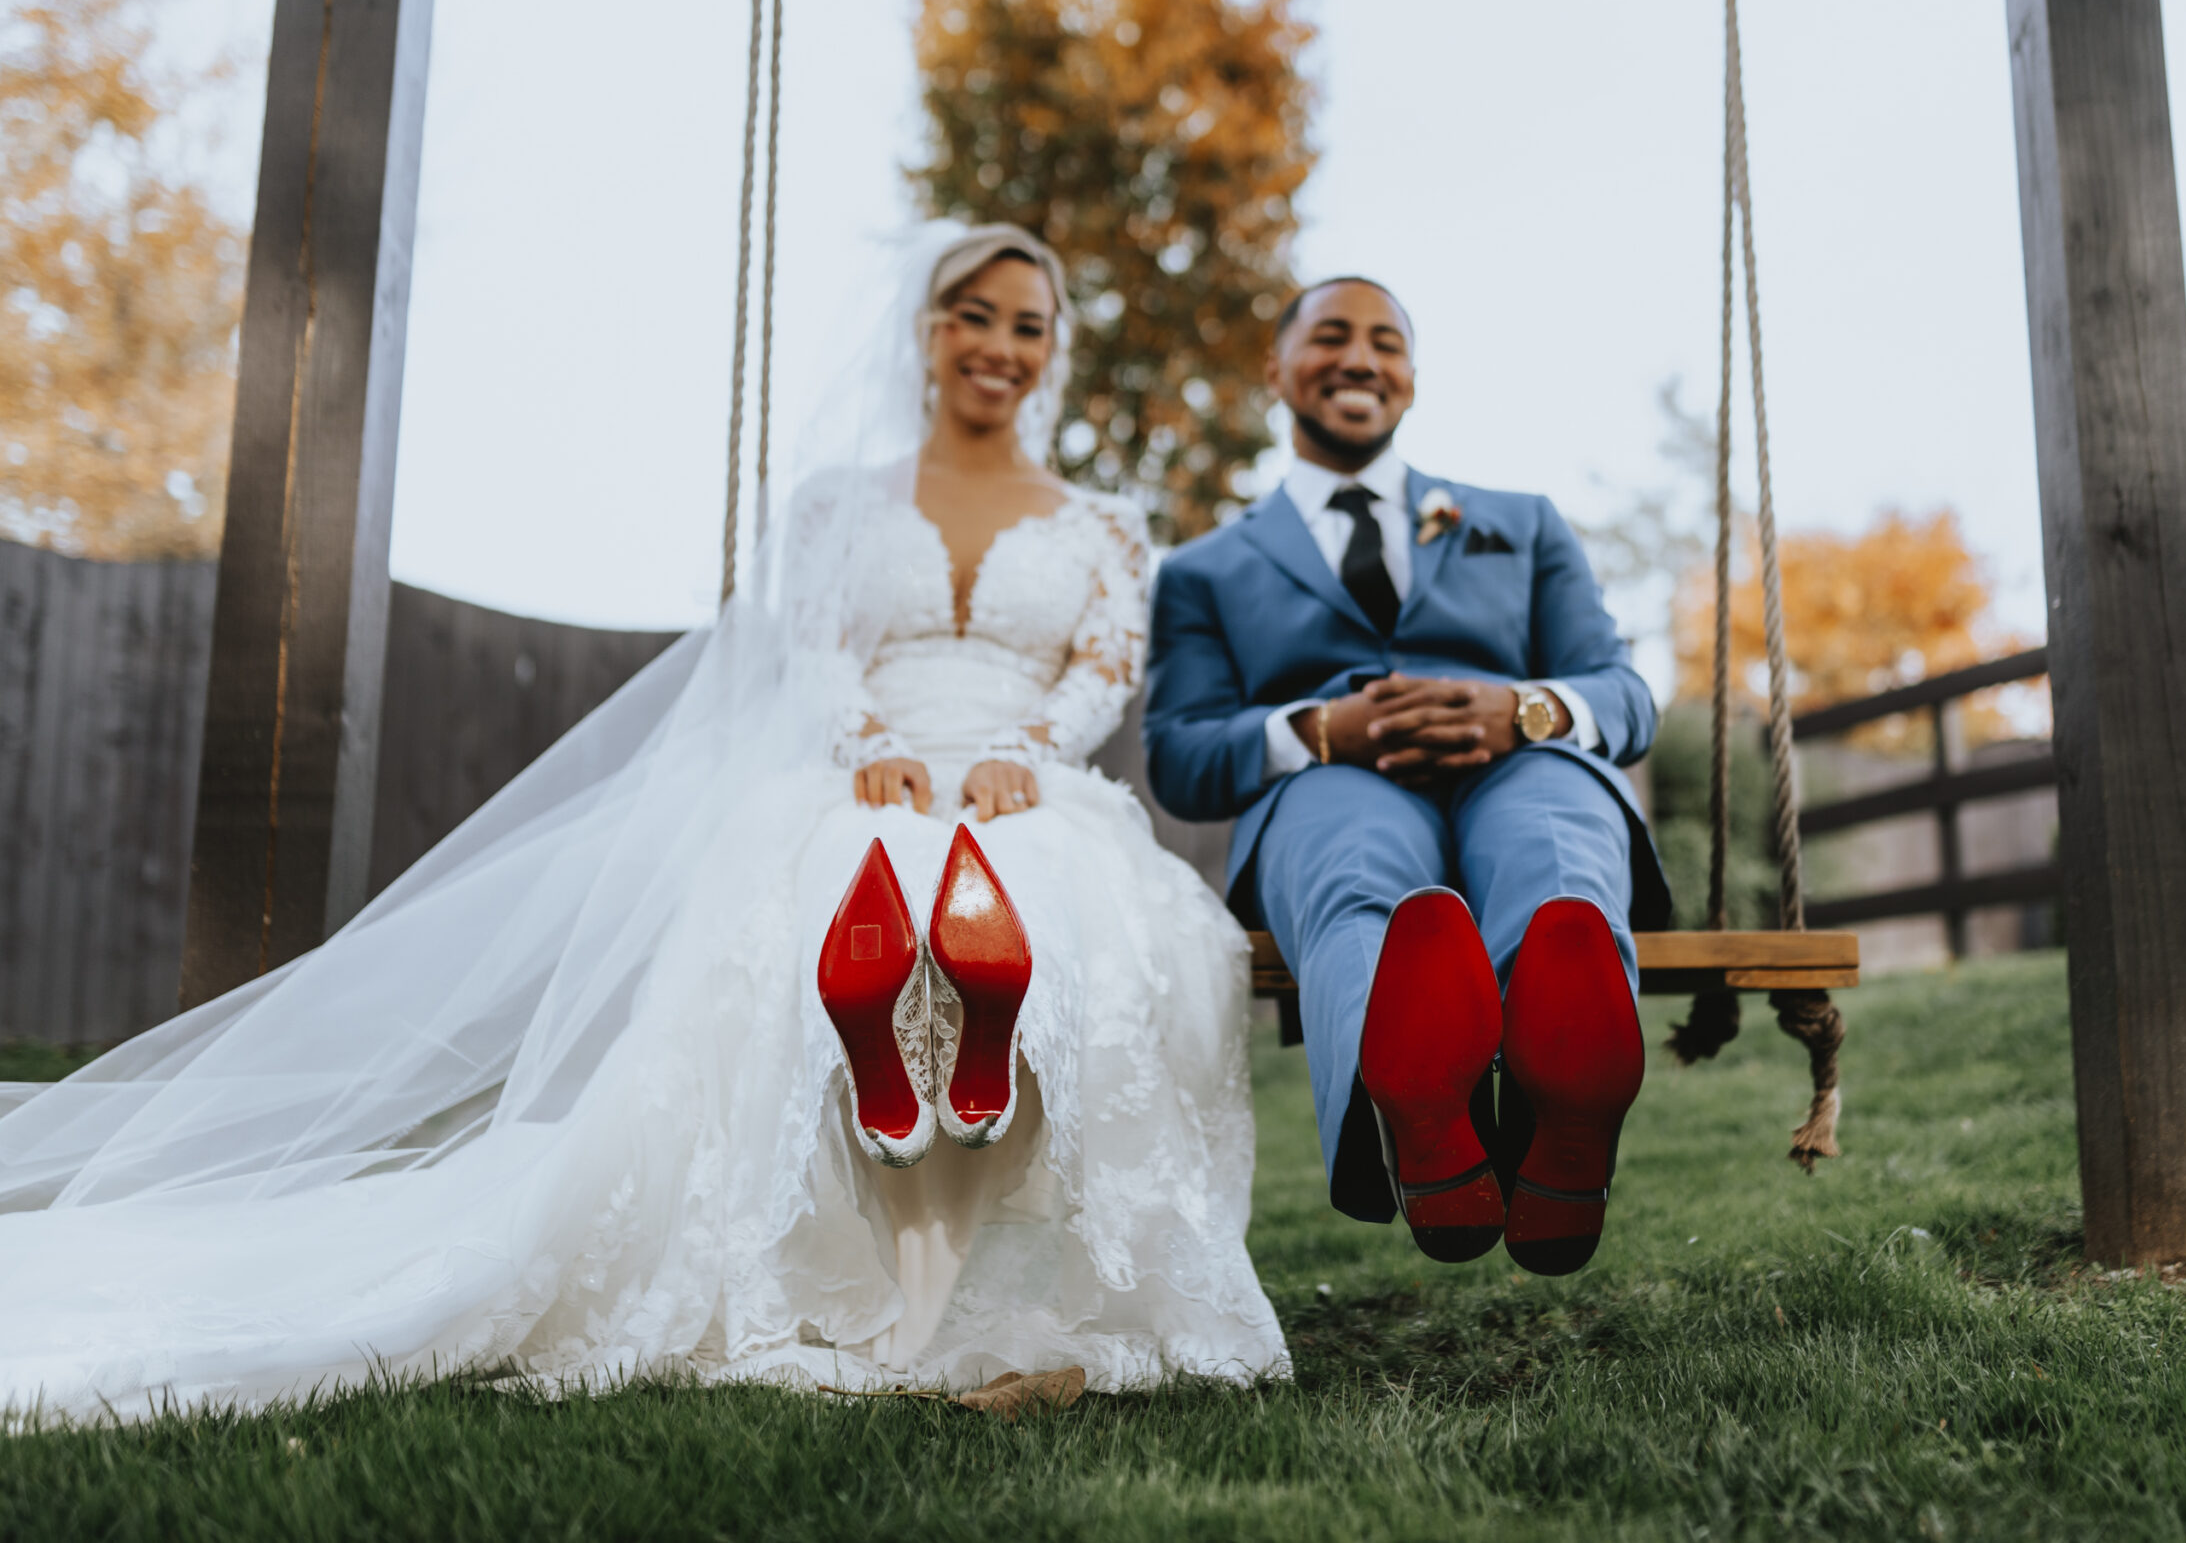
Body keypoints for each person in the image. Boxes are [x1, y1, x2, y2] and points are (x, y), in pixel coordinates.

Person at [0, 224, 1285, 1425]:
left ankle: (972, 1112)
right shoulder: (844, 503)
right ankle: (895, 1171)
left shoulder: (1105, 525)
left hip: (1019, 778)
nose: (999, 345)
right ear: (928, 329)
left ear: (1053, 346)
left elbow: (1104, 667)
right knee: (842, 911)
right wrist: (871, 745)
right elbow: (819, 647)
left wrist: (1023, 751)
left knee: (1071, 923)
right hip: (870, 771)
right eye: (974, 315)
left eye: (1027, 324)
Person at [1144, 277, 1669, 1276]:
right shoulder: (1206, 571)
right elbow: (1181, 754)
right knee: (1358, 876)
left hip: (1520, 753)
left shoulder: (1520, 522)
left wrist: (1525, 709)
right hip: (1331, 775)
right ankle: (1425, 1123)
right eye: (1330, 336)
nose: (1358, 358)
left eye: (1384, 343)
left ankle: (1563, 1098)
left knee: (1552, 848)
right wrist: (1316, 727)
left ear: (1411, 382)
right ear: (1277, 370)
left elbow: (1623, 693)